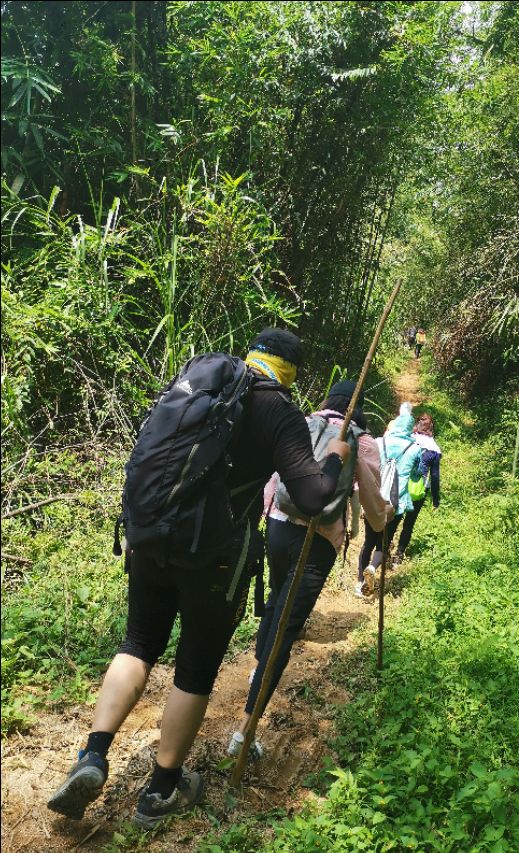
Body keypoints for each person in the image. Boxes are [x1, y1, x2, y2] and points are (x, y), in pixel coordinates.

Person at [47, 329, 351, 828]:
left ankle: (93, 753)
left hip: (151, 537)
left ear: (253, 354)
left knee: (138, 643)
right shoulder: (279, 411)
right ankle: (162, 790)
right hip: (213, 558)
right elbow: (314, 497)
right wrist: (335, 456)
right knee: (195, 668)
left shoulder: (203, 384)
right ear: (292, 372)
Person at [228, 380, 392, 755]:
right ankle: (244, 733)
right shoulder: (360, 440)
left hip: (278, 524)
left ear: (329, 399)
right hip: (317, 541)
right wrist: (384, 517)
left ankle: (258, 671)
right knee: (285, 630)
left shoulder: (302, 422)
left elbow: (274, 478)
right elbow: (373, 508)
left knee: (276, 600)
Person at [356, 405, 421, 596]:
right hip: (396, 504)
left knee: (368, 541)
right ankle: (373, 568)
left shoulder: (379, 442)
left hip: (374, 499)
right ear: (410, 428)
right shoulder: (415, 449)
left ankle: (359, 582)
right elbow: (417, 474)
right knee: (384, 542)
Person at [392, 413, 441, 565]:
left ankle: (384, 548)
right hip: (419, 490)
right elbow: (435, 476)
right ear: (431, 428)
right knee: (409, 522)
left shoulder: (407, 440)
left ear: (417, 425)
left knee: (395, 518)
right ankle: (399, 554)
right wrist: (436, 500)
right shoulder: (434, 449)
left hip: (401, 484)